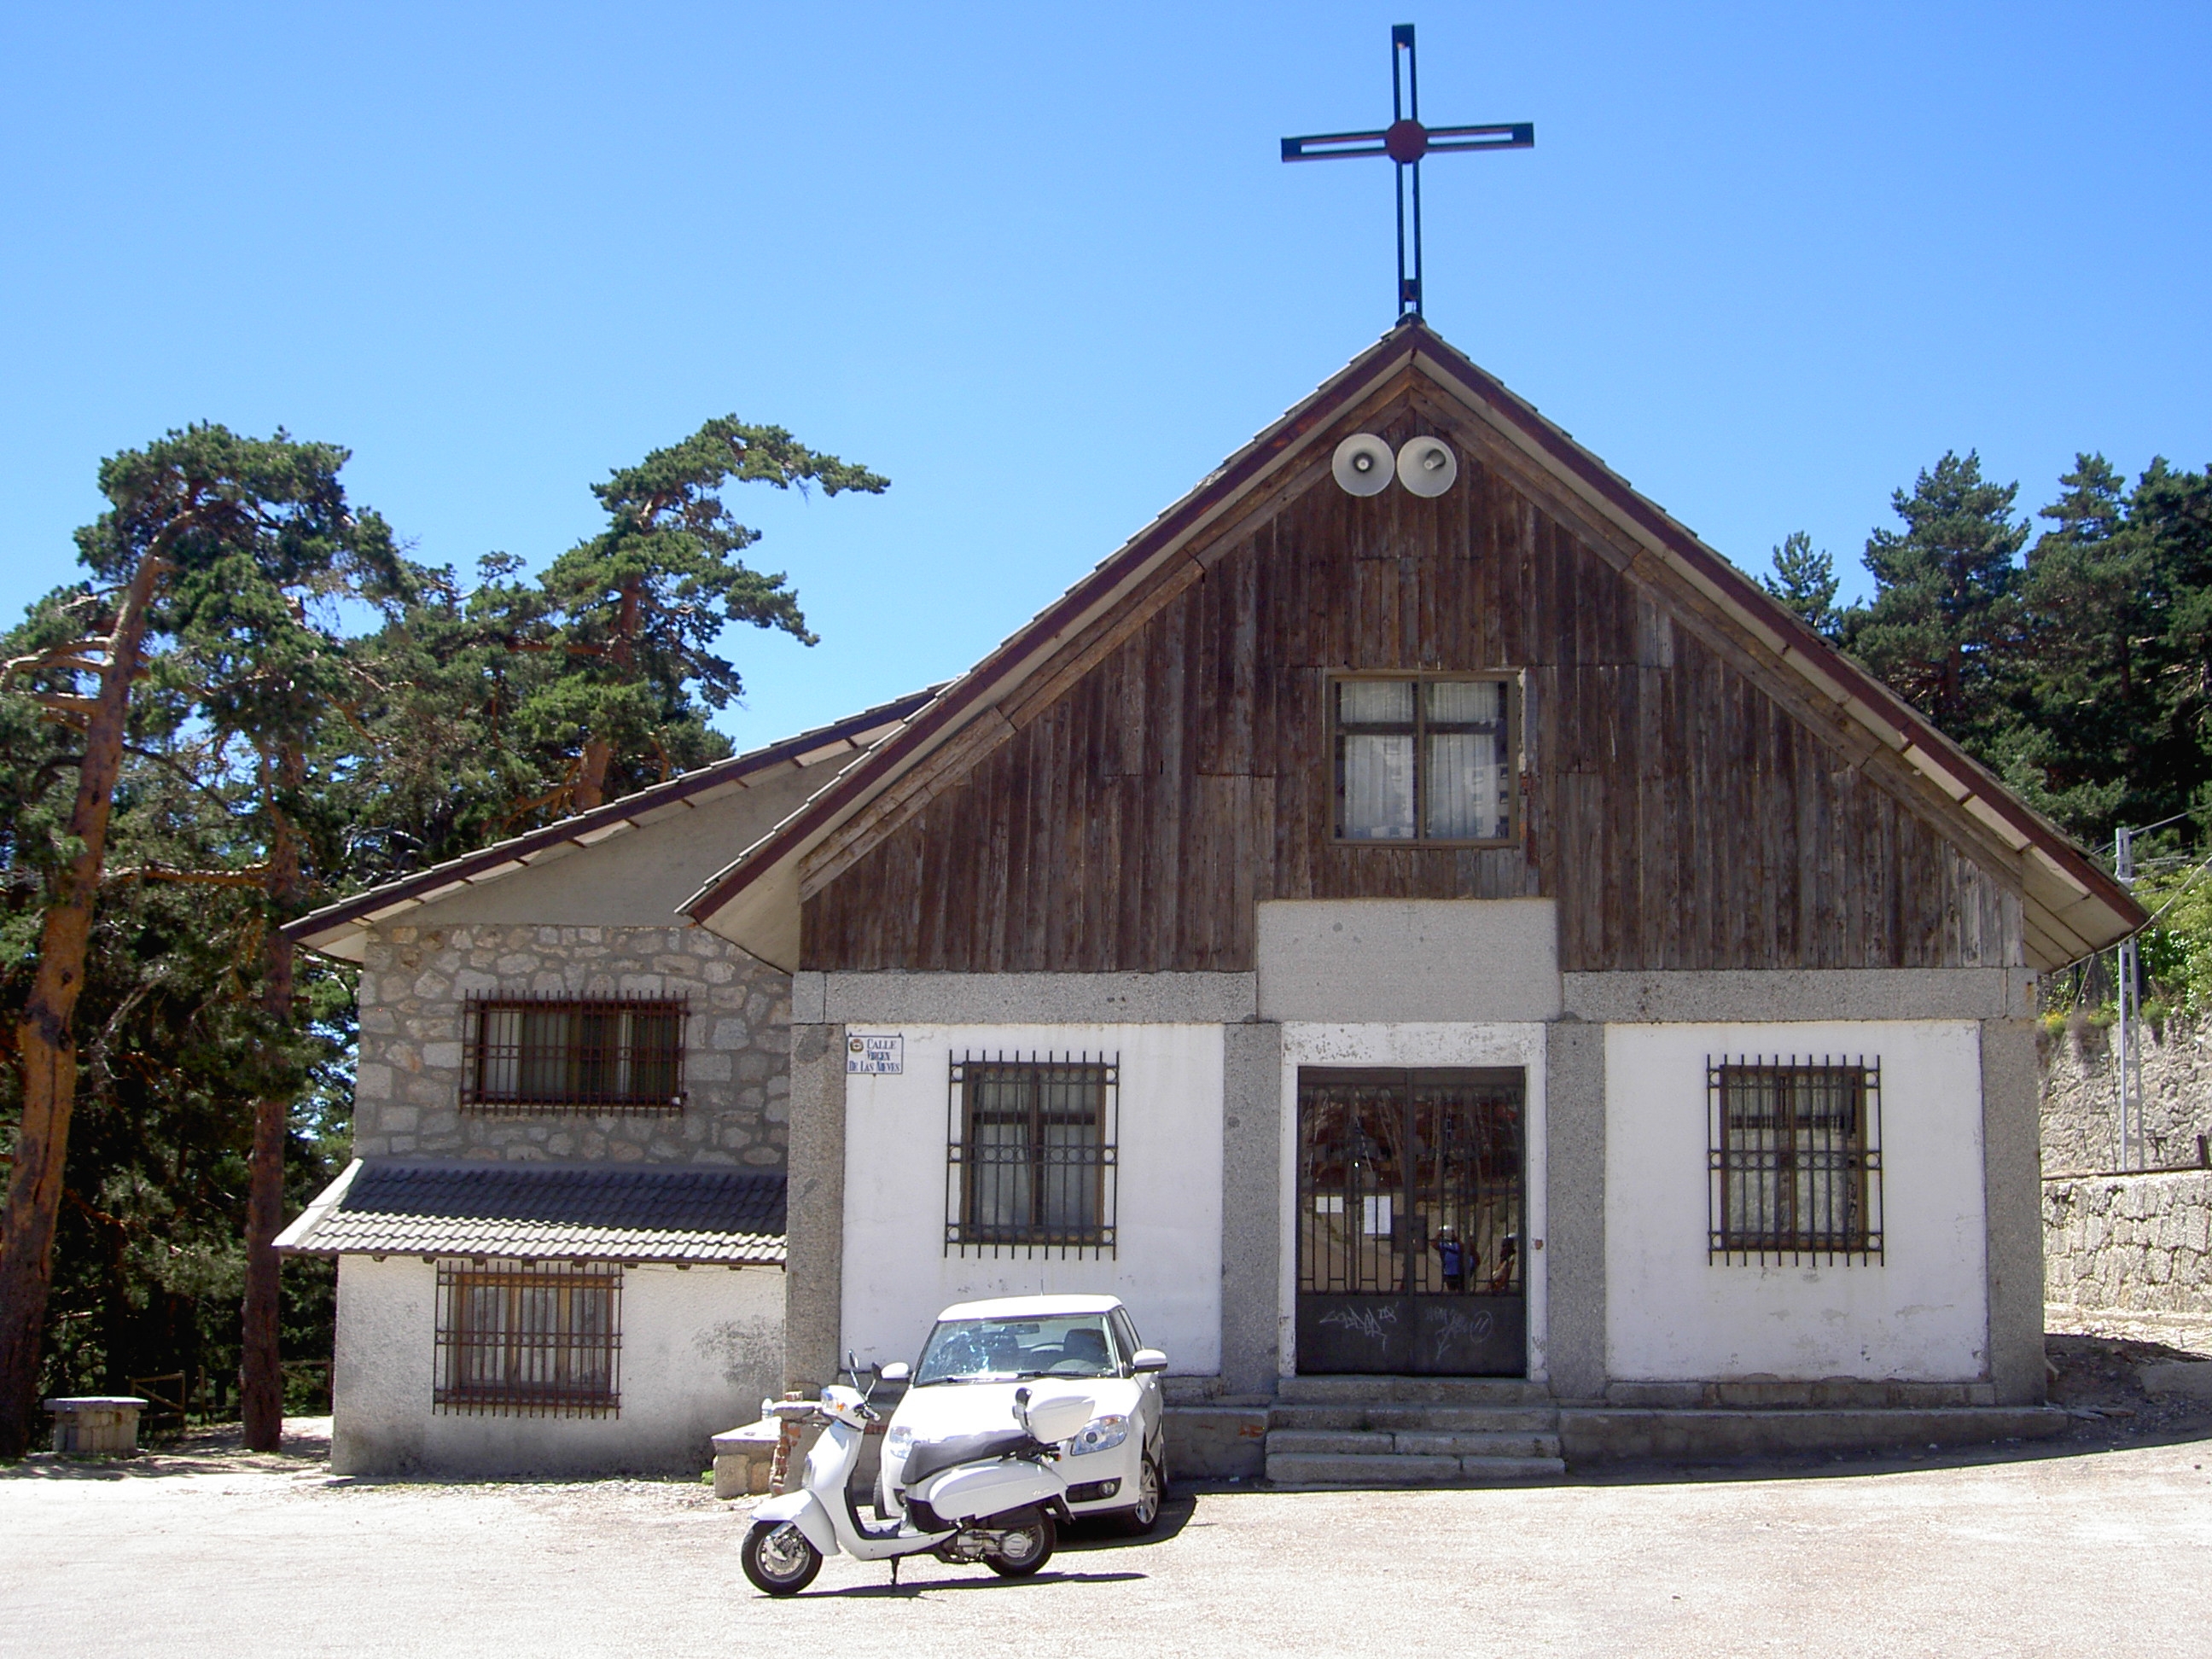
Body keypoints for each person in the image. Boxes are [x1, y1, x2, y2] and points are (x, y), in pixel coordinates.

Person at [1433, 1225, 1467, 1292]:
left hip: (1459, 1272)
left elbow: (1464, 1248)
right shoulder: (1442, 1244)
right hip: (1449, 1272)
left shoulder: (1457, 1244)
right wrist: (1438, 1235)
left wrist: (1455, 1238)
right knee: (1452, 1291)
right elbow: (1434, 1245)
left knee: (1462, 1292)